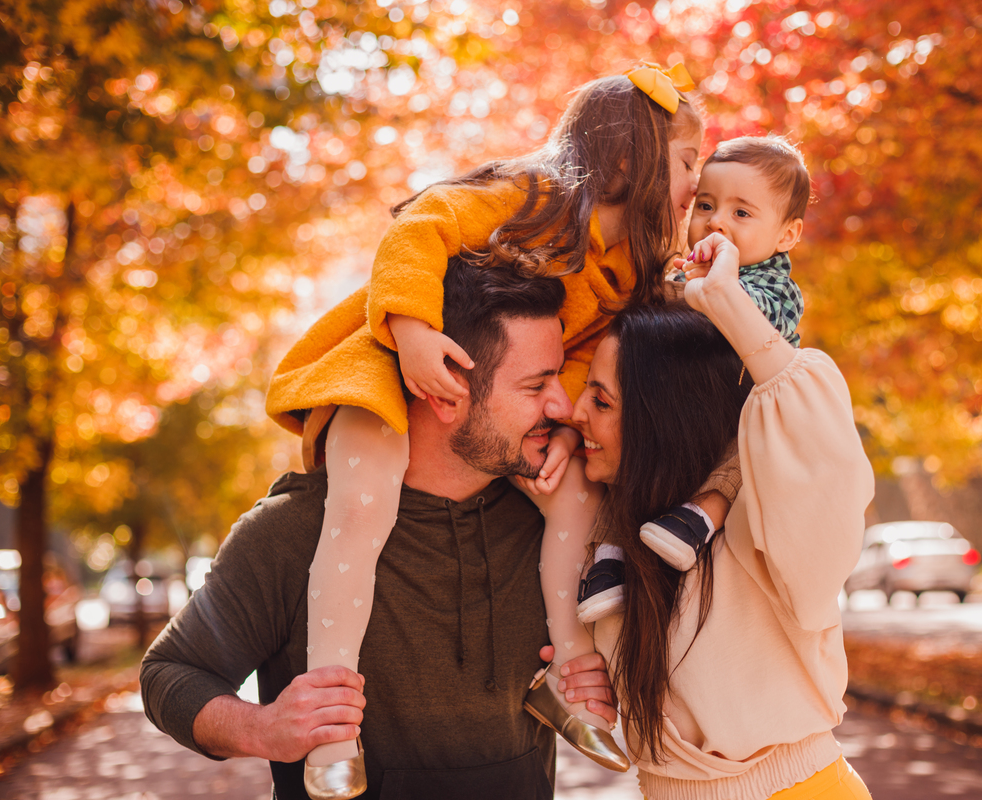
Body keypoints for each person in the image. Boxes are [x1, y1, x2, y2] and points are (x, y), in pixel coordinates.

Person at [263, 64, 714, 790]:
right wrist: (410, 329)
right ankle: (331, 723)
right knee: (361, 511)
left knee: (577, 501)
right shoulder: (537, 197)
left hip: (498, 398)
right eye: (690, 159)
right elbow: (423, 225)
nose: (699, 177)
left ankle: (564, 673)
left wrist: (565, 420)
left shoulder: (630, 266)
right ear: (630, 155)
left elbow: (579, 360)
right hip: (394, 361)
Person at [141, 257, 618, 800]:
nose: (563, 403)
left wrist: (595, 676)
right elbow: (169, 674)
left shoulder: (550, 519)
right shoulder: (294, 529)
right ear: (444, 393)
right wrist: (263, 729)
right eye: (537, 385)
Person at [569, 233, 877, 799]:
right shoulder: (616, 532)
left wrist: (728, 301)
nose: (575, 411)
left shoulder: (758, 529)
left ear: (664, 421)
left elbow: (822, 453)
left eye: (602, 400)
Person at [581, 133, 814, 602]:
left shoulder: (770, 281)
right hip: (678, 411)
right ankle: (607, 556)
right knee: (629, 453)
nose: (717, 223)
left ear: (786, 234)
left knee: (741, 460)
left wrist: (717, 284)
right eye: (705, 206)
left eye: (741, 213)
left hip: (740, 412)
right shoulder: (682, 268)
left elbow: (763, 320)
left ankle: (701, 519)